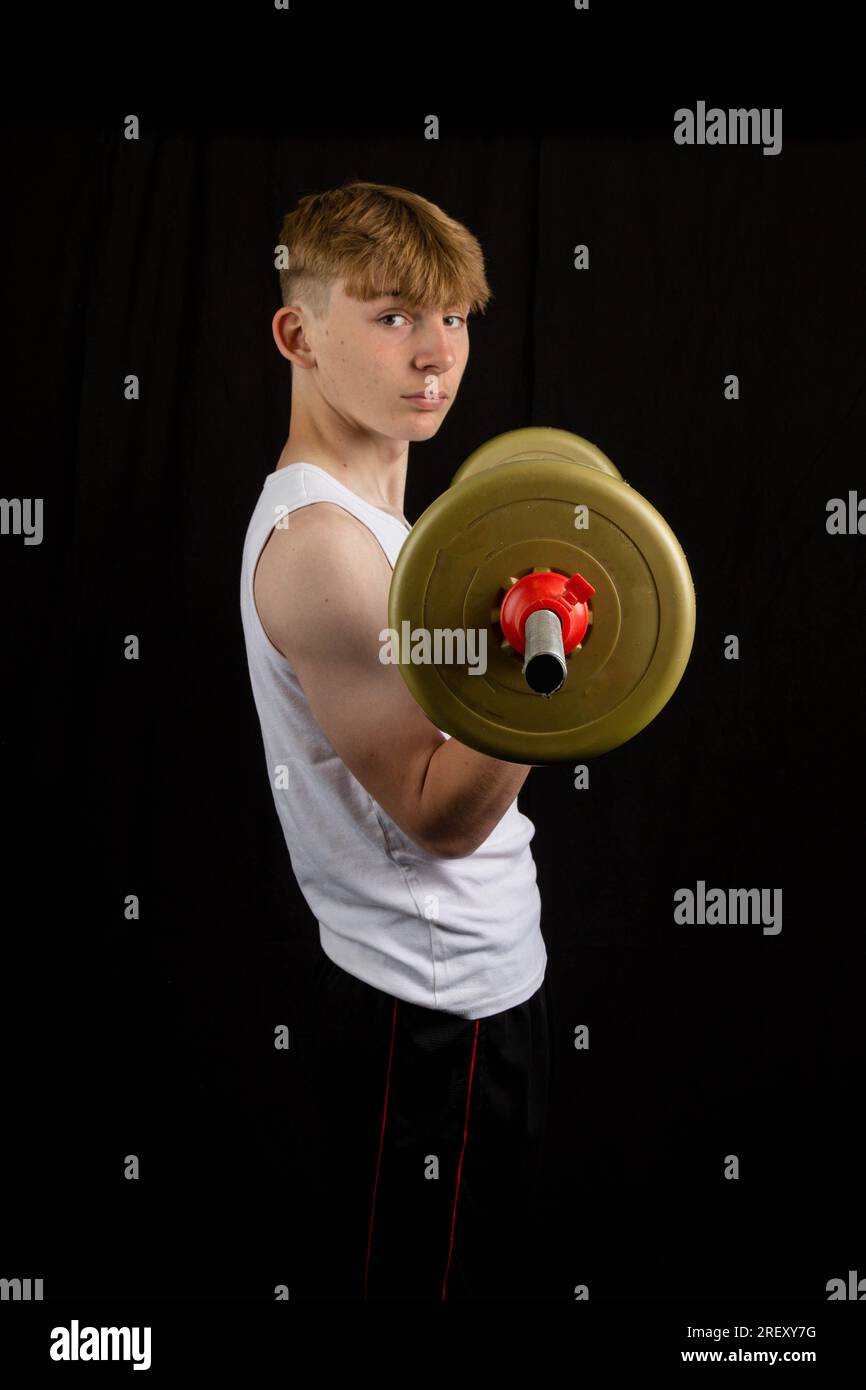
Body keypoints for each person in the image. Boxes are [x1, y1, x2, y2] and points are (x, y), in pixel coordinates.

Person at [239, 180, 554, 1299]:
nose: (435, 355)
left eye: (453, 318)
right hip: (422, 1014)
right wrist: (545, 670)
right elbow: (434, 809)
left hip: (479, 987)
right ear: (299, 334)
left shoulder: (392, 526)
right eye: (391, 317)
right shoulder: (323, 545)